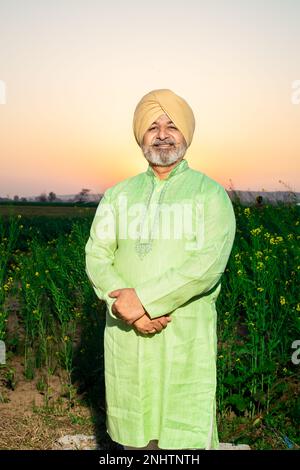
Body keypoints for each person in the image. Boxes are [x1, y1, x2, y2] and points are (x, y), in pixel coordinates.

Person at [85, 88, 236, 450]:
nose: (163, 134)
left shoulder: (210, 194)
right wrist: (126, 307)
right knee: (133, 438)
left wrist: (146, 301)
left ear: (186, 135)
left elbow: (207, 265)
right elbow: (97, 255)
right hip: (127, 331)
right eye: (153, 126)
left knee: (182, 437)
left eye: (172, 126)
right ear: (141, 136)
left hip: (183, 332)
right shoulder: (117, 195)